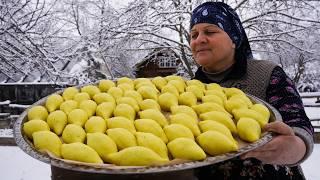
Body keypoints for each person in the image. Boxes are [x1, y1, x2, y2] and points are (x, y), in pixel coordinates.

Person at [189, 2, 314, 179]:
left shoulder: (266, 73)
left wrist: (295, 147)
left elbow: (298, 123)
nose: (199, 40)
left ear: (234, 39)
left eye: (210, 32)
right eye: (193, 35)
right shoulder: (188, 89)